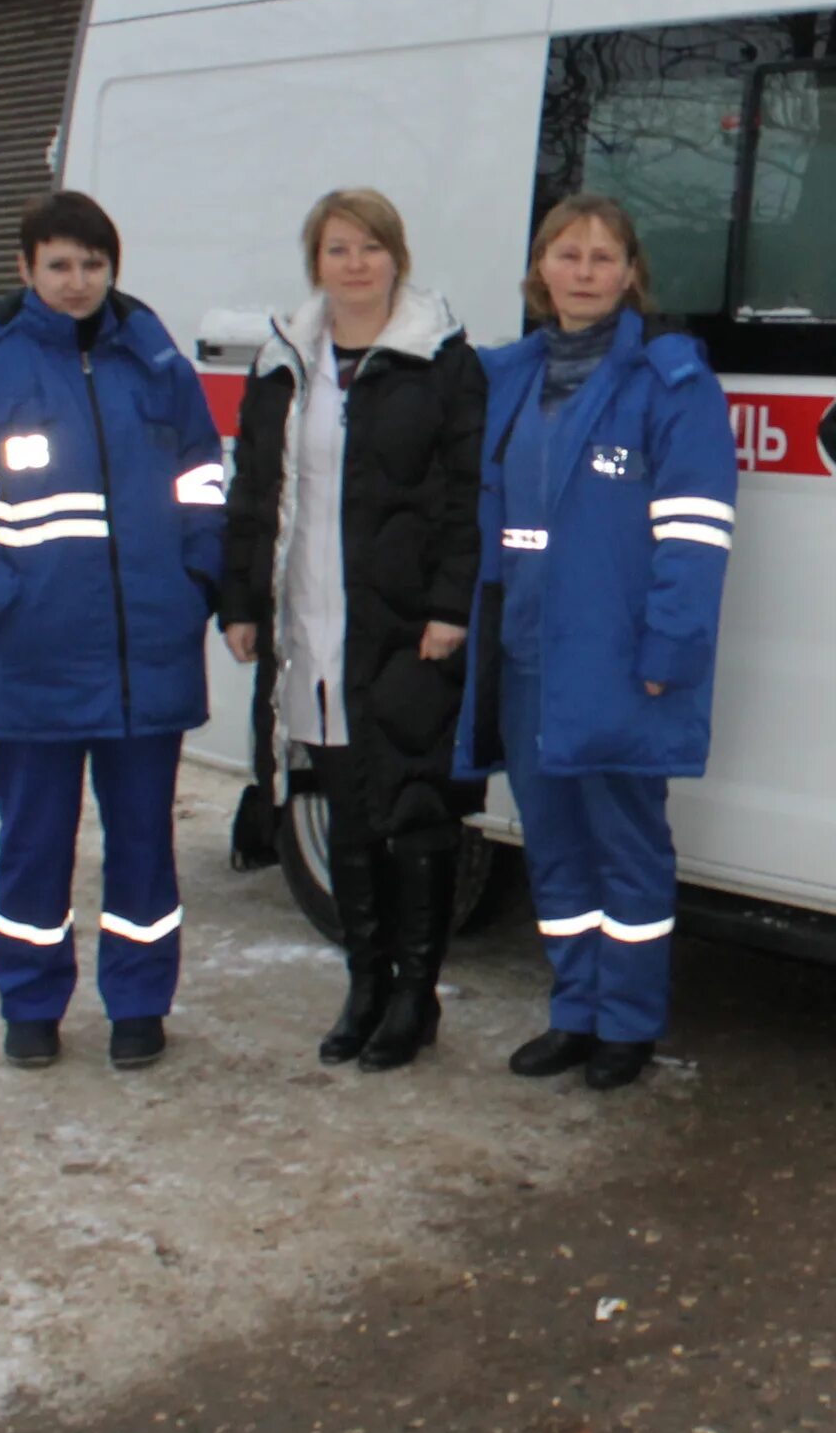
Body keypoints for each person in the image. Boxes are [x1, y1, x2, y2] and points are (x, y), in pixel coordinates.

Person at [0, 191, 225, 1072]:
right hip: (33, 655)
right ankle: (32, 1003)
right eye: (60, 265)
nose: (78, 281)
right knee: (35, 846)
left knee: (144, 848)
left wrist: (196, 579)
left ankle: (138, 1003)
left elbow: (203, 477)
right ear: (26, 269)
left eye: (93, 265)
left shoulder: (152, 356)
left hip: (146, 656)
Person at [457, 193, 738, 1092]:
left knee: (627, 846)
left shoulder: (669, 383)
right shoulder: (504, 376)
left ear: (630, 275)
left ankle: (627, 1023)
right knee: (553, 843)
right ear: (541, 269)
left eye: (603, 258)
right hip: (528, 654)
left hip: (617, 659)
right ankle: (573, 1012)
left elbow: (696, 534)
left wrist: (670, 651)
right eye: (567, 255)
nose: (584, 271)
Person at [217, 189, 485, 1071]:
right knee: (341, 802)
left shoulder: (440, 361)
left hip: (404, 625)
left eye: (372, 247)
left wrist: (451, 607)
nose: (356, 263)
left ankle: (416, 994)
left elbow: (464, 498)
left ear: (397, 257)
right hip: (310, 624)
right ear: (316, 264)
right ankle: (364, 983)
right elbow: (254, 493)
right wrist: (242, 603)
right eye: (338, 249)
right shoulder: (285, 362)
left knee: (411, 807)